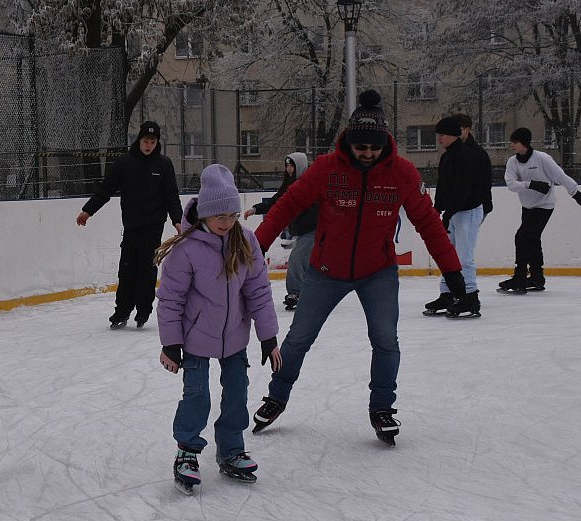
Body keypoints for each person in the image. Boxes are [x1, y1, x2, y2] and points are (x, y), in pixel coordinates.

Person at [249, 89, 466, 447]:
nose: (367, 154)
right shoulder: (326, 169)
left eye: (374, 148)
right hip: (325, 270)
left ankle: (382, 407)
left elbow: (428, 223)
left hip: (376, 271)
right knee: (299, 338)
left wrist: (452, 272)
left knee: (385, 340)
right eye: (360, 147)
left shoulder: (402, 174)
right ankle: (276, 397)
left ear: (385, 143)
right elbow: (287, 205)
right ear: (349, 141)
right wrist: (258, 247)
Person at [155, 164, 281, 492]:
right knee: (197, 396)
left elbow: (258, 291)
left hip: (235, 338)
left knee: (237, 393)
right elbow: (170, 299)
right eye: (219, 217)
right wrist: (171, 343)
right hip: (196, 339)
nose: (226, 224)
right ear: (205, 215)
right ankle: (187, 451)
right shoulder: (186, 249)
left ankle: (231, 449)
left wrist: (268, 336)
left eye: (232, 216)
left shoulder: (246, 241)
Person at [76, 121, 184, 329]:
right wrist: (88, 210)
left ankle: (143, 311)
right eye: (146, 140)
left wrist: (177, 220)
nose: (149, 145)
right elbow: (106, 189)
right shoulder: (125, 163)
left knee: (147, 268)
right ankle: (122, 311)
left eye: (153, 141)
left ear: (157, 143)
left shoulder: (163, 165)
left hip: (154, 226)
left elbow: (172, 195)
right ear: (139, 140)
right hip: (132, 226)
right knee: (127, 269)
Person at [499, 127, 581, 293]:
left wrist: (575, 193)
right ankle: (537, 278)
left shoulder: (542, 159)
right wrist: (531, 184)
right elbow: (511, 184)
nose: (512, 145)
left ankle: (520, 277)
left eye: (515, 142)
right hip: (527, 206)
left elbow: (560, 176)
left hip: (544, 206)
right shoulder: (512, 162)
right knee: (532, 239)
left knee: (522, 237)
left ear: (524, 143)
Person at [422, 116, 488, 318]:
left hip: (467, 211)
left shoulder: (467, 156)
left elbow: (463, 189)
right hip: (454, 212)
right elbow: (443, 186)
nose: (439, 139)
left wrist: (448, 213)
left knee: (463, 257)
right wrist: (437, 209)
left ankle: (471, 297)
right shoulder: (447, 156)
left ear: (453, 135)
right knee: (448, 255)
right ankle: (448, 293)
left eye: (442, 135)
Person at [245, 152, 318, 311]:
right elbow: (276, 203)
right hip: (303, 231)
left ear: (300, 166)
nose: (289, 169)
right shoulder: (289, 185)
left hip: (315, 229)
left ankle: (295, 293)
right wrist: (255, 209)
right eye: (287, 165)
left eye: (292, 165)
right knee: (306, 262)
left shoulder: (311, 183)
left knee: (296, 259)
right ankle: (311, 292)